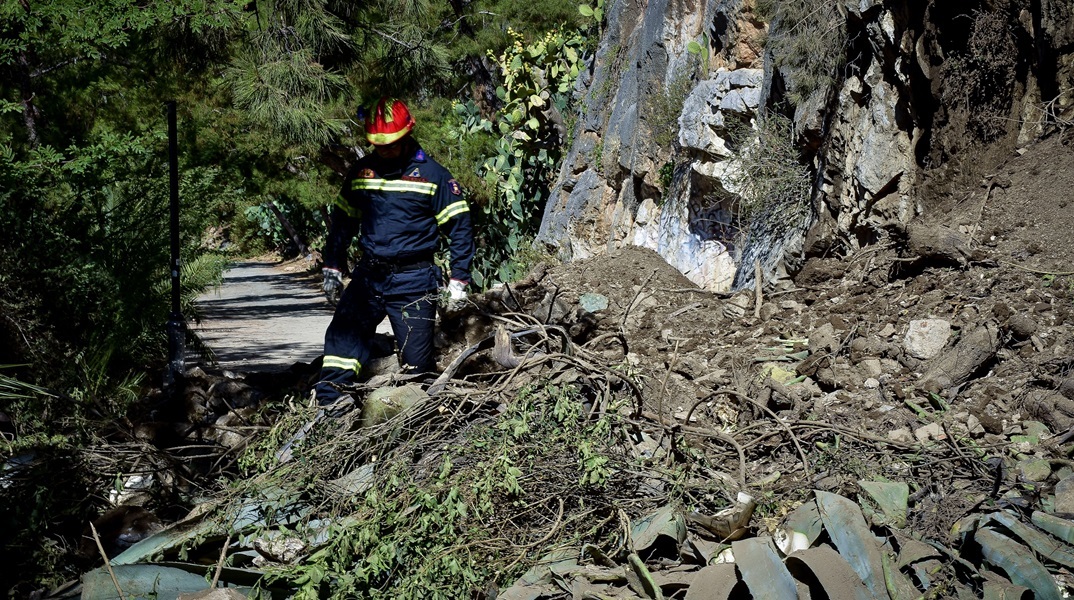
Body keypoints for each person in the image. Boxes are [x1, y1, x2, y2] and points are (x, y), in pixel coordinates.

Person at [315, 96, 474, 414]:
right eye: (377, 144)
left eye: (390, 144)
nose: (383, 150)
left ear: (406, 135)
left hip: (414, 281)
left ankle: (409, 422)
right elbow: (343, 222)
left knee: (417, 369)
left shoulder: (433, 176)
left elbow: (460, 228)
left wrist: (459, 280)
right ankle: (331, 406)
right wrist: (332, 265)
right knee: (341, 341)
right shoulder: (363, 172)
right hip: (369, 277)